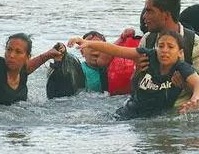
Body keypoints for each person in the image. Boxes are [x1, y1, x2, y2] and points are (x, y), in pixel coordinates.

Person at [68, 30, 199, 119]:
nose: (164, 50)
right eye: (161, 46)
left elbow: (196, 82)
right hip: (130, 111)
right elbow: (117, 50)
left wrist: (194, 99)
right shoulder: (148, 55)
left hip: (155, 117)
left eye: (170, 47)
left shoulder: (181, 68)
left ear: (180, 52)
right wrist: (87, 43)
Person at [137, 0, 199, 107]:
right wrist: (138, 71)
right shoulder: (147, 39)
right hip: (148, 109)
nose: (144, 16)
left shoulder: (194, 44)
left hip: (180, 112)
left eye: (150, 11)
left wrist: (185, 85)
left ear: (166, 15)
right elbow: (135, 86)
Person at [0, 33, 64, 106]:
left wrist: (52, 53)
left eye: (18, 52)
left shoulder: (23, 71)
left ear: (27, 57)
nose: (11, 55)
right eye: (9, 50)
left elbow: (35, 62)